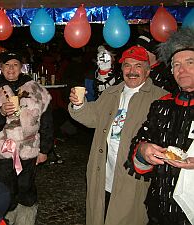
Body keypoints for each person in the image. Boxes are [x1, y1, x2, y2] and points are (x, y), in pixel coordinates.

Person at [68, 46, 168, 225]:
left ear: (147, 69)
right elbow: (93, 118)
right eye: (127, 66)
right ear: (121, 70)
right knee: (101, 213)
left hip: (133, 178)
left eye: (138, 66)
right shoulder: (111, 93)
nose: (132, 71)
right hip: (103, 172)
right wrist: (79, 104)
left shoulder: (161, 99)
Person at [125, 28, 194, 225]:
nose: (182, 70)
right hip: (160, 210)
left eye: (190, 63)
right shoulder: (162, 105)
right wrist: (143, 151)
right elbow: (138, 145)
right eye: (176, 65)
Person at [0, 51, 53, 225]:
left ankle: (26, 221)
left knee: (26, 188)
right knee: (6, 191)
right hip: (2, 153)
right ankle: (7, 219)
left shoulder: (35, 89)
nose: (11, 69)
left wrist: (44, 149)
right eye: (7, 65)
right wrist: (0, 113)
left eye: (15, 64)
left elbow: (47, 121)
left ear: (21, 67)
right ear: (1, 68)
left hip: (29, 150)